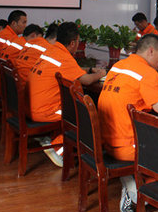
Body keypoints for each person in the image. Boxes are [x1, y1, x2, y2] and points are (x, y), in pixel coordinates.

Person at [98, 34, 158, 212]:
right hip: (128, 148)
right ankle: (137, 190)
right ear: (151, 51)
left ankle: (131, 180)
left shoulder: (118, 66)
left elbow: (133, 93)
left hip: (105, 141)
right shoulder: (147, 73)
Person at [27, 22, 105, 166]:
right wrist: (100, 74)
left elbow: (70, 69)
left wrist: (89, 69)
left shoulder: (52, 51)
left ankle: (56, 139)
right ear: (73, 43)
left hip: (32, 106)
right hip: (46, 111)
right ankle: (58, 148)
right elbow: (87, 81)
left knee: (77, 109)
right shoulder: (64, 57)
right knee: (87, 116)